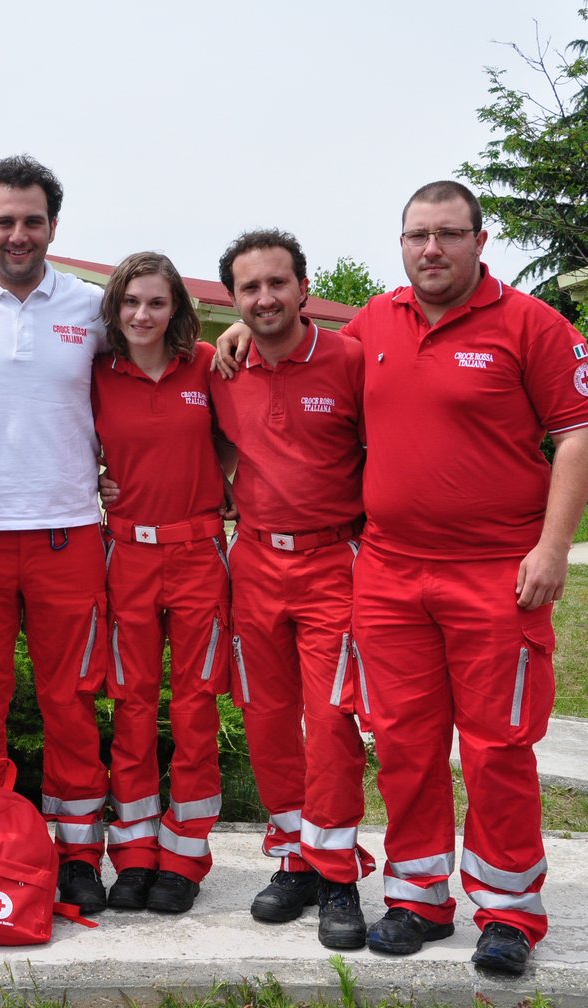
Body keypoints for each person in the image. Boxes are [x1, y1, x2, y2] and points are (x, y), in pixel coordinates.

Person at [342, 181, 588, 974]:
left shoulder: (534, 326)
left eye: (448, 234)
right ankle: (417, 897)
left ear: (480, 241)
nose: (431, 249)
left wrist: (552, 549)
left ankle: (510, 912)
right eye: (417, 234)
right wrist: (244, 328)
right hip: (388, 573)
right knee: (405, 744)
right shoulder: (373, 323)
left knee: (496, 748)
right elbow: (305, 373)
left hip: (496, 575)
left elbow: (578, 435)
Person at [0, 155, 111, 913]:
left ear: (53, 227)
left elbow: (164, 351)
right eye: (4, 220)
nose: (18, 233)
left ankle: (75, 853)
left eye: (32, 220)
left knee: (72, 700)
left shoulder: (94, 305)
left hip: (69, 531)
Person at [205, 230, 374, 950]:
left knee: (332, 719)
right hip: (255, 564)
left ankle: (338, 873)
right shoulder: (222, 366)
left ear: (303, 287)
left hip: (334, 560)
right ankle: (294, 857)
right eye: (250, 289)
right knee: (266, 717)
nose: (266, 298)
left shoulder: (351, 360)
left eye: (278, 284)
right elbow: (208, 442)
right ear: (233, 299)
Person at [88, 252, 229, 915]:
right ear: (115, 308)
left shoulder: (206, 363)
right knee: (132, 706)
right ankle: (136, 852)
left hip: (200, 553)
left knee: (197, 706)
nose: (142, 314)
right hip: (129, 554)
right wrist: (95, 478)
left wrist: (220, 478)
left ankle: (184, 854)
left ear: (176, 309)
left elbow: (235, 430)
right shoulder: (97, 374)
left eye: (156, 302)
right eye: (131, 302)